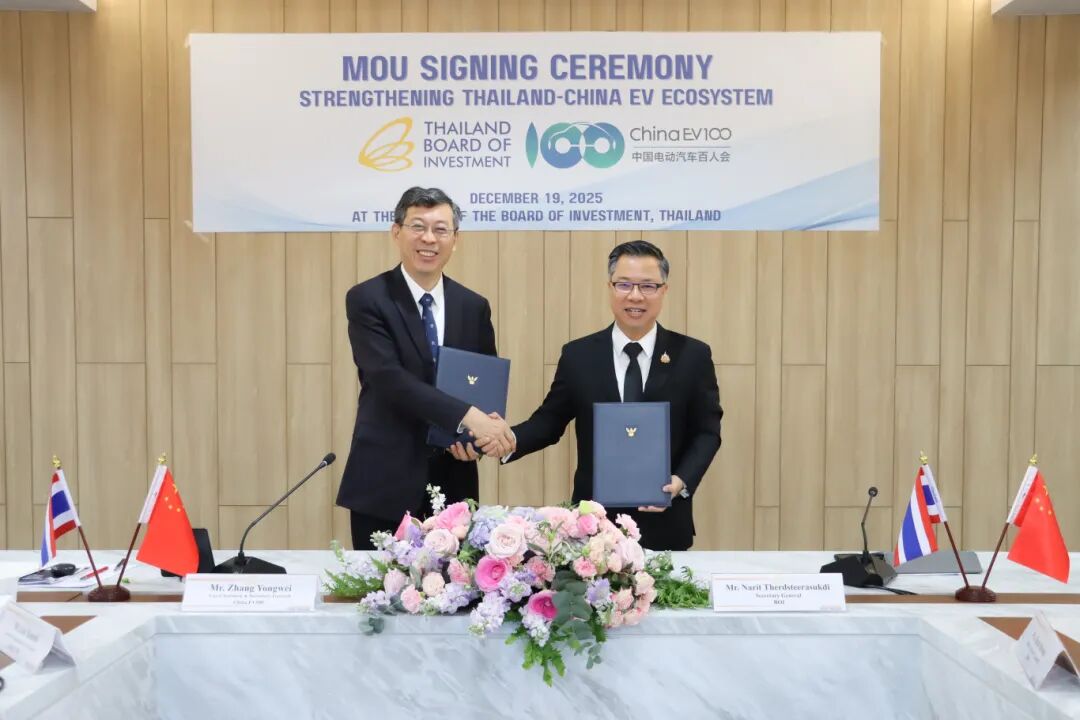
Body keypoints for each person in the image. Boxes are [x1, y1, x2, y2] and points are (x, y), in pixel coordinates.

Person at [470, 240, 722, 550]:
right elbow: (549, 422)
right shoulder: (579, 355)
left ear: (664, 290)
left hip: (665, 522)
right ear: (610, 287)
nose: (635, 296)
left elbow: (707, 432)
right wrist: (506, 439)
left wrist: (681, 481)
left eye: (648, 286)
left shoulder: (692, 355)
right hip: (592, 528)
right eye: (624, 284)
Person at [337, 187, 515, 550]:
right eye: (418, 226)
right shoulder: (368, 298)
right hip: (384, 480)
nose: (429, 239)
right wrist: (468, 417)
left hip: (454, 481)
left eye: (440, 229)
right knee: (377, 584)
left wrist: (478, 440)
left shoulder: (473, 306)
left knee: (455, 584)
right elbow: (388, 378)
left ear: (455, 239)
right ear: (396, 231)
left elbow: (482, 381)